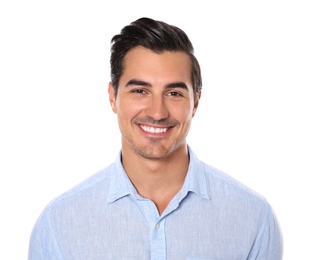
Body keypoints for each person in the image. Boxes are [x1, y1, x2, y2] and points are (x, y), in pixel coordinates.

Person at [28, 17, 283, 259]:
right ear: (112, 97)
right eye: (140, 90)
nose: (157, 112)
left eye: (173, 93)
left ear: (196, 102)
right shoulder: (59, 223)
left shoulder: (253, 218)